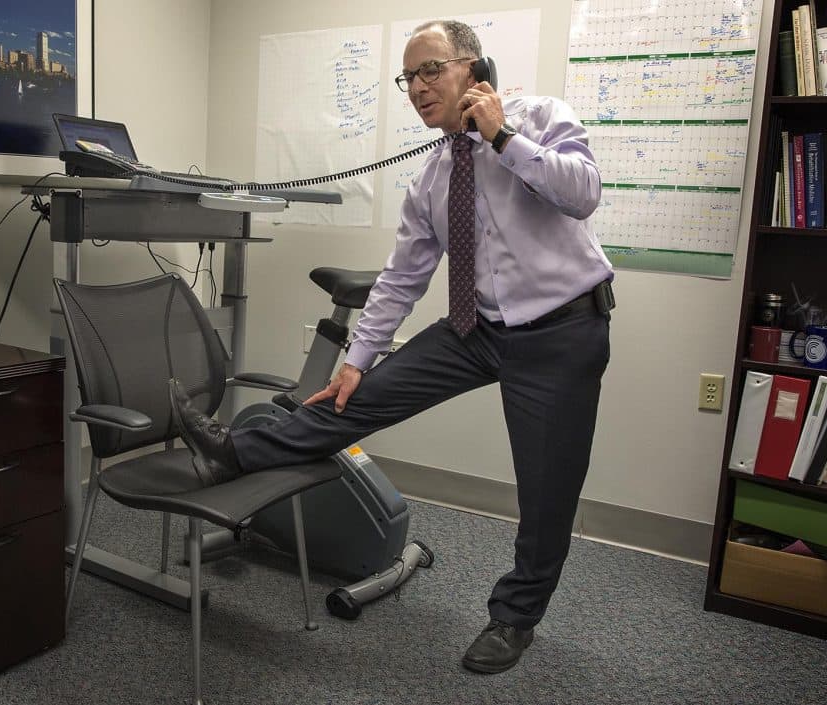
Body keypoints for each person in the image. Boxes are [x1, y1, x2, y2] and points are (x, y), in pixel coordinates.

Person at [170, 19, 614, 674]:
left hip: (562, 330)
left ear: (474, 69)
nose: (419, 87)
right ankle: (235, 452)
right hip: (478, 327)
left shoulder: (539, 118)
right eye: (409, 78)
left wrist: (502, 137)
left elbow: (583, 193)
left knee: (548, 488)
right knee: (355, 396)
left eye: (431, 69)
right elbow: (402, 278)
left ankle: (515, 616)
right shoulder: (433, 177)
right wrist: (356, 361)